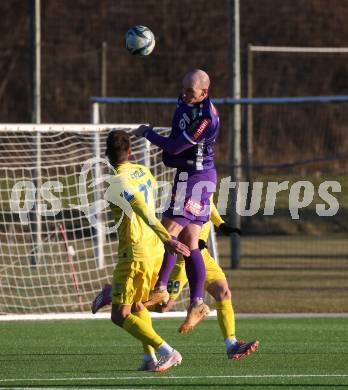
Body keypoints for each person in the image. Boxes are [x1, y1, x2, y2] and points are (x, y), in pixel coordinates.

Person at [92, 201, 260, 361]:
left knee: (223, 292)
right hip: (182, 258)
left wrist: (222, 224)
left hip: (202, 256)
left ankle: (231, 344)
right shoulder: (186, 189)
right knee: (161, 306)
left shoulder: (205, 185)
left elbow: (211, 206)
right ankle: (113, 293)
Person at [134, 69, 220, 333]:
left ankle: (160, 287)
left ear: (204, 93)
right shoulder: (186, 100)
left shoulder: (206, 118)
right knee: (189, 240)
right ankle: (196, 303)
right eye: (183, 89)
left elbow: (174, 147)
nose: (183, 95)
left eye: (189, 91)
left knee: (168, 230)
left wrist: (147, 133)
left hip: (197, 179)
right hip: (187, 176)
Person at [101, 129, 190, 372]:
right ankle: (149, 357)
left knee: (119, 315)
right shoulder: (144, 171)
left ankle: (167, 351)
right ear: (130, 151)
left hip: (135, 253)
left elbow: (140, 207)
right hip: (153, 250)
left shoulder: (117, 181)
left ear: (106, 153)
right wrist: (163, 240)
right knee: (138, 305)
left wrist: (167, 237)